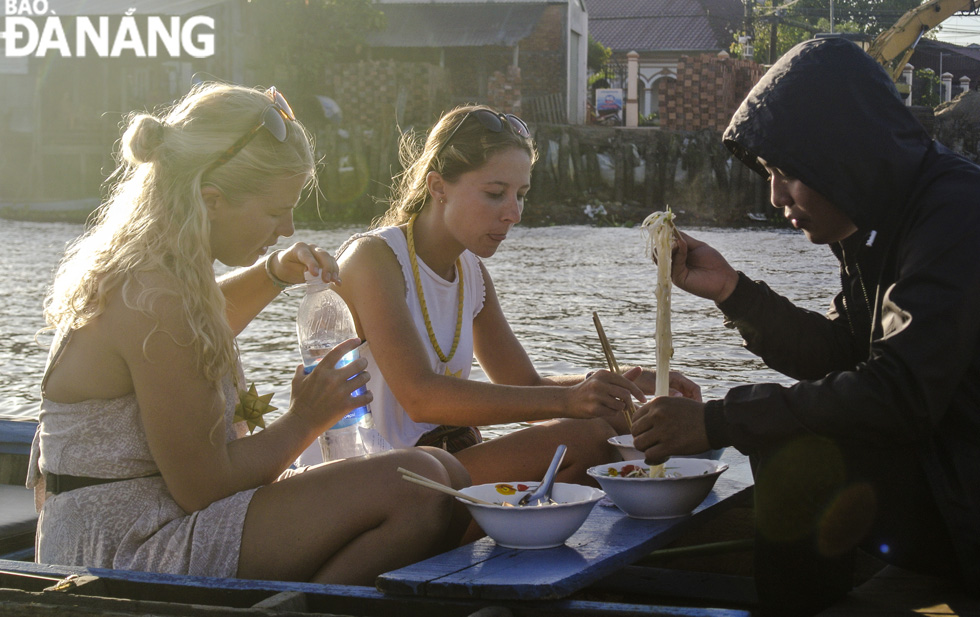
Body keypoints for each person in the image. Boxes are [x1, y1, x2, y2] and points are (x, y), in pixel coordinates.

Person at [28, 82, 469, 585]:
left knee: (441, 468)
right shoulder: (154, 298)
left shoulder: (164, 278)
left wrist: (274, 271)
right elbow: (204, 485)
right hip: (125, 547)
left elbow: (203, 323)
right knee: (418, 488)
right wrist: (306, 419)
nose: (287, 227)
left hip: (161, 521)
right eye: (275, 210)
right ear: (211, 200)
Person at [629, 38, 980, 615]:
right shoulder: (878, 221)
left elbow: (901, 394)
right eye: (770, 173)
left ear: (842, 152)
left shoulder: (956, 213)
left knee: (792, 447)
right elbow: (843, 354)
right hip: (950, 480)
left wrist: (718, 420)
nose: (774, 196)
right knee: (786, 433)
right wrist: (732, 291)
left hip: (966, 497)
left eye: (788, 172)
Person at [331, 104, 701, 506]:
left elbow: (525, 386)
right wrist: (570, 401)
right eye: (495, 194)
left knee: (616, 421)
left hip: (440, 464)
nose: (514, 213)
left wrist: (620, 383)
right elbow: (421, 397)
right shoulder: (373, 258)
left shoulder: (470, 269)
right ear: (439, 187)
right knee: (589, 437)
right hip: (375, 482)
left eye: (521, 195)